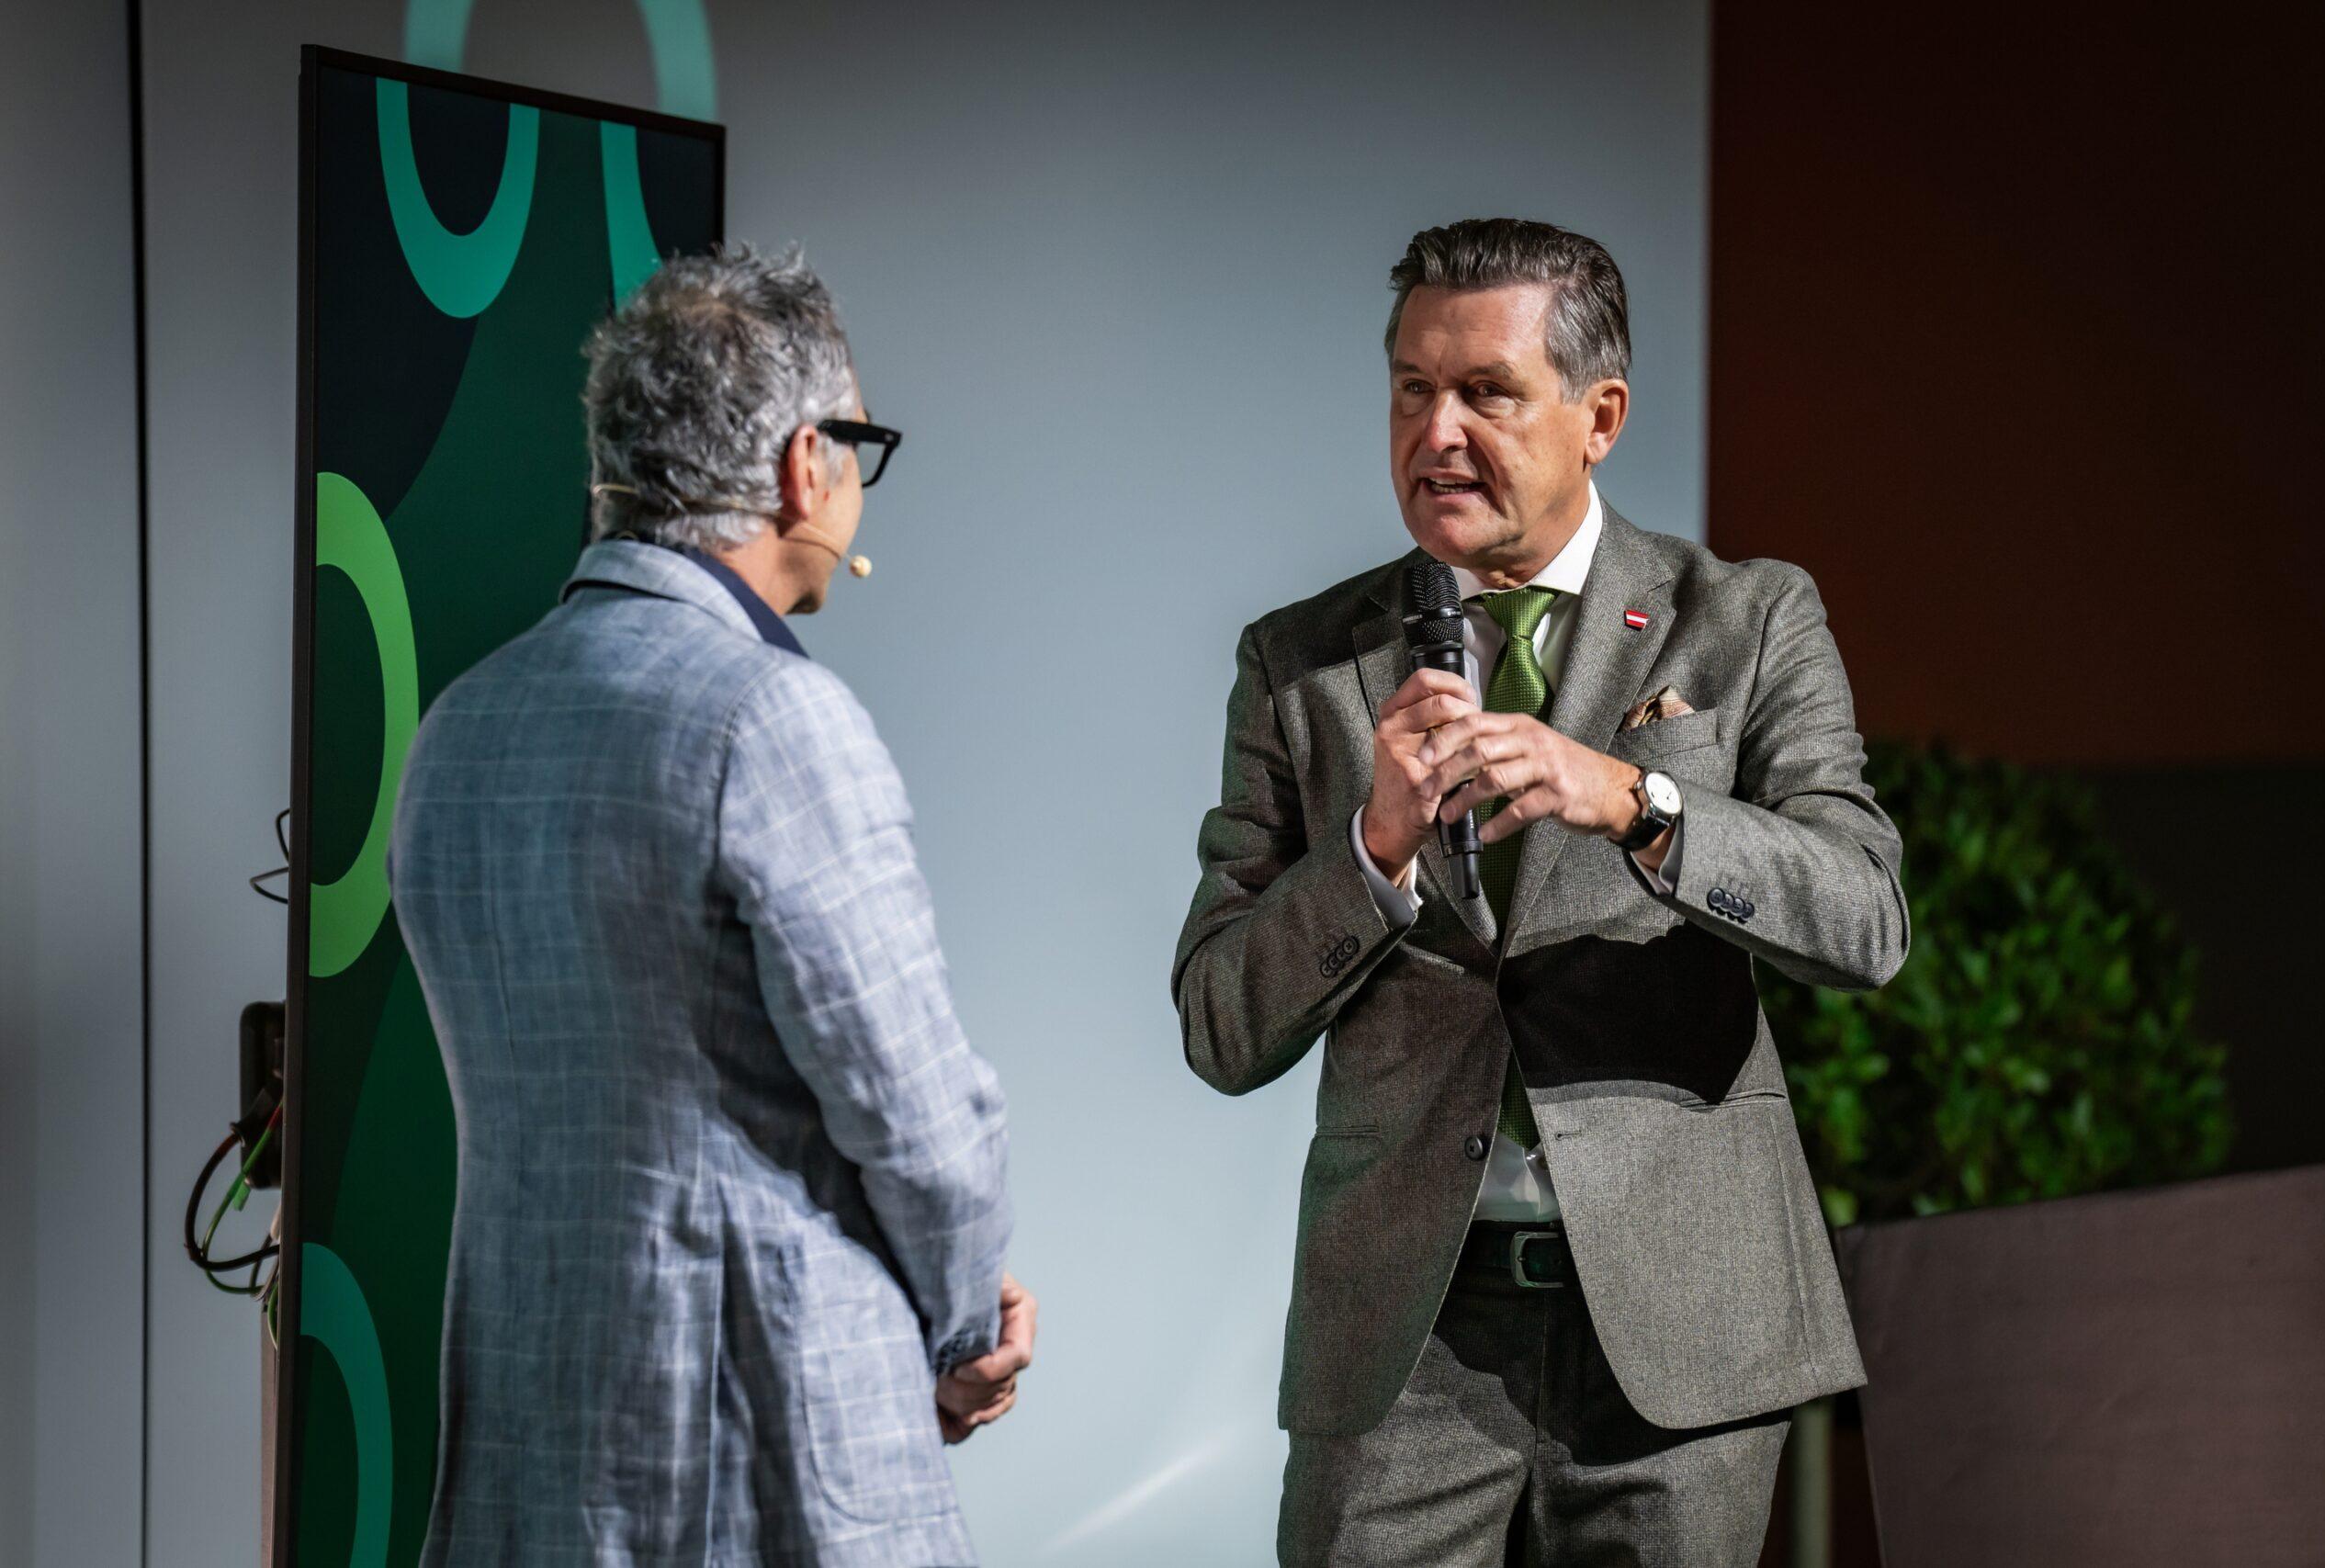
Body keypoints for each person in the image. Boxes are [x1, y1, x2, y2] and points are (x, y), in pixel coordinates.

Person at [1173, 218, 1908, 1565]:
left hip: (1681, 1338)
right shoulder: (1302, 665)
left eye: (1486, 393)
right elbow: (1221, 1024)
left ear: (1599, 418)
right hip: (1404, 1343)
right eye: (1412, 388)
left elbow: (1863, 917)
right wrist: (1374, 847)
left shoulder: (1741, 619)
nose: (1436, 432)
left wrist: (1636, 800)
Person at [391, 245, 1033, 1567]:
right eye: (859, 446)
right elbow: (922, 1123)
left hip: (525, 1451)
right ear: (806, 465)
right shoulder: (771, 719)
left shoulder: (459, 728)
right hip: (758, 1450)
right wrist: (968, 1330)